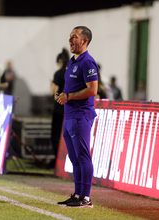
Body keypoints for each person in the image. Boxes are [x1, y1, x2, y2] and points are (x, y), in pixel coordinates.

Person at [55, 26, 98, 208]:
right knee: (74, 157)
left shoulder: (88, 62)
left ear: (84, 41)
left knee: (83, 157)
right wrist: (62, 95)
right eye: (70, 36)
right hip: (70, 115)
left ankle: (86, 198)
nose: (70, 40)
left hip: (81, 116)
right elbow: (72, 87)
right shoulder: (72, 61)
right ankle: (78, 194)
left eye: (74, 37)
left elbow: (92, 90)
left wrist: (69, 97)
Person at [48, 48, 69, 169]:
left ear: (60, 61)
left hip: (59, 109)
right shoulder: (72, 72)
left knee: (55, 135)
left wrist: (52, 84)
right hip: (71, 109)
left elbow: (53, 92)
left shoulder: (58, 73)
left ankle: (57, 160)